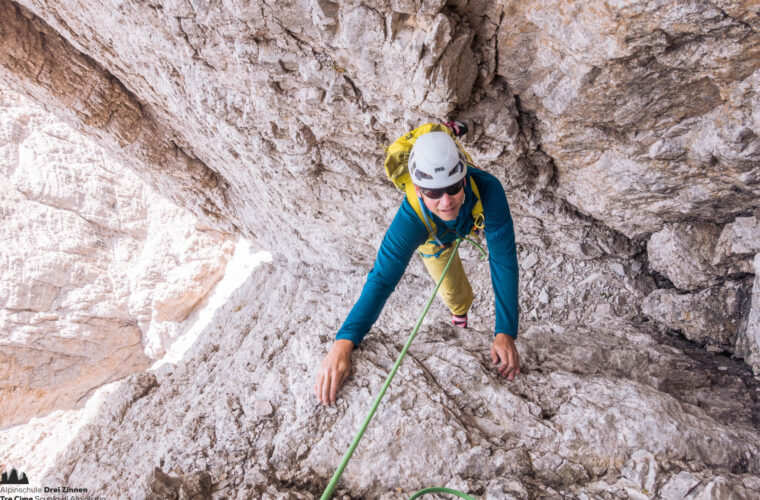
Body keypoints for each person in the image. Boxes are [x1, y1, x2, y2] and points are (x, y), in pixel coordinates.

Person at [314, 125, 520, 405]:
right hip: (435, 241)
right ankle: (460, 316)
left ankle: (445, 130)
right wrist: (343, 342)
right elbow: (382, 279)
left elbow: (503, 258)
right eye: (433, 192)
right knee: (456, 297)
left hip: (467, 219)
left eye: (453, 187)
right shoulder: (409, 221)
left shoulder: (487, 188)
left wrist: (505, 331)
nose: (446, 201)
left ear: (464, 176)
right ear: (419, 191)